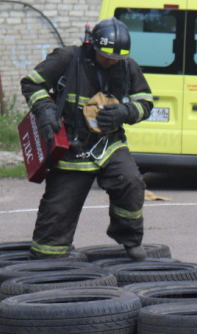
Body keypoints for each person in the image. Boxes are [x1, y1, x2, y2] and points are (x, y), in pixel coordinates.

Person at [21, 17, 153, 261]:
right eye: (106, 56)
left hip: (108, 144)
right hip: (71, 146)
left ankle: (129, 238)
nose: (111, 61)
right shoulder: (68, 58)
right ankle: (49, 255)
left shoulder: (127, 66)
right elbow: (31, 83)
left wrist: (125, 112)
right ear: (92, 45)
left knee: (131, 182)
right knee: (58, 213)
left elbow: (145, 102)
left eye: (117, 58)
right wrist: (45, 110)